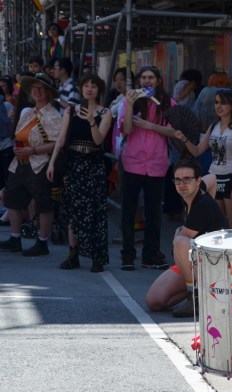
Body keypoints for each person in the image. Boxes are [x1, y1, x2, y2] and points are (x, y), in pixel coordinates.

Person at [47, 74, 113, 272]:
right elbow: (60, 140)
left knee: (95, 212)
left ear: (99, 90)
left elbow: (99, 140)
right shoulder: (71, 111)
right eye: (86, 85)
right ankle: (73, 254)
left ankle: (96, 257)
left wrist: (92, 120)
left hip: (94, 165)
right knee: (74, 212)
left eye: (93, 86)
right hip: (74, 165)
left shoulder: (106, 112)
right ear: (81, 89)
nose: (89, 89)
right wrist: (51, 164)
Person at [145, 160, 226, 317]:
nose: (182, 184)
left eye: (187, 179)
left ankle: (194, 295)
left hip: (211, 263)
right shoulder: (198, 191)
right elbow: (213, 178)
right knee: (154, 301)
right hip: (194, 262)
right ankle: (204, 290)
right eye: (178, 180)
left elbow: (180, 245)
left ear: (197, 180)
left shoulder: (202, 205)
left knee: (180, 241)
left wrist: (179, 233)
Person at [119, 65, 176, 271]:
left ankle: (150, 254)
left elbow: (173, 132)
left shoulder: (167, 102)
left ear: (158, 80)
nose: (147, 81)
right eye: (143, 78)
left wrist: (149, 126)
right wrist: (131, 102)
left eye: (151, 77)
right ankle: (127, 255)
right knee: (128, 212)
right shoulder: (130, 100)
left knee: (153, 214)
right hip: (133, 163)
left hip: (157, 164)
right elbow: (125, 130)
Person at [0, 73, 61, 255]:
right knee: (11, 198)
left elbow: (57, 143)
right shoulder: (30, 112)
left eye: (42, 89)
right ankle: (15, 237)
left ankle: (42, 242)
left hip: (39, 163)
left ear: (49, 92)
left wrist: (32, 150)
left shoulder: (53, 114)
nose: (37, 92)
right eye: (35, 88)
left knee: (43, 202)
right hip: (20, 162)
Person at [177, 88, 232, 229]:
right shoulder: (213, 126)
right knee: (218, 224)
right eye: (216, 102)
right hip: (214, 176)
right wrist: (184, 138)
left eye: (223, 103)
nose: (218, 106)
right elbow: (197, 151)